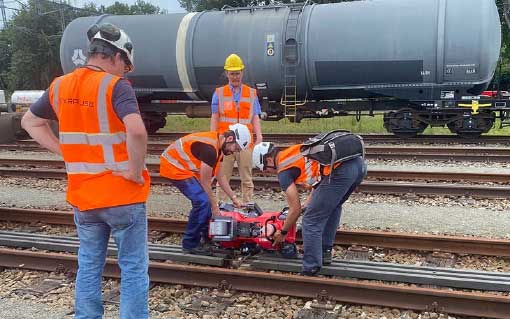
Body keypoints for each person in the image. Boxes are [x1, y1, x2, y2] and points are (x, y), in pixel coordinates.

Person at [21, 23, 151, 318]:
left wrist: (64, 150)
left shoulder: (60, 86)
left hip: (84, 198)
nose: (124, 73)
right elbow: (137, 131)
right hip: (122, 196)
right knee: (132, 267)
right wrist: (133, 172)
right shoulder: (115, 86)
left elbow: (30, 122)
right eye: (125, 66)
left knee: (89, 264)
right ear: (116, 56)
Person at [252, 142, 366, 275]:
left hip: (340, 172)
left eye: (265, 169)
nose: (268, 173)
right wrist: (308, 203)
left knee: (310, 220)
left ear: (269, 160)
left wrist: (283, 233)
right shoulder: (293, 151)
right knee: (333, 207)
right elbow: (319, 179)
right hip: (358, 165)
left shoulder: (283, 170)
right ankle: (324, 253)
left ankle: (311, 267)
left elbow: (295, 209)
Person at [159, 123, 251, 255]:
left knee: (205, 202)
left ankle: (206, 238)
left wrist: (234, 197)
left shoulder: (218, 148)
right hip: (174, 166)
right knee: (203, 202)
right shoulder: (210, 150)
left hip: (184, 168)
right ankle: (190, 244)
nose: (233, 152)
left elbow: (221, 176)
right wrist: (215, 207)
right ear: (230, 139)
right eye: (235, 148)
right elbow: (205, 182)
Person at [211, 53, 263, 203]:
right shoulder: (219, 94)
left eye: (237, 73)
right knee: (223, 177)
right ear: (227, 73)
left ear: (242, 73)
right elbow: (215, 117)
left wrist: (259, 136)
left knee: (247, 178)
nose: (235, 77)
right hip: (226, 143)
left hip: (245, 143)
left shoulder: (251, 93)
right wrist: (213, 138)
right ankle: (222, 206)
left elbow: (255, 117)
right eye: (232, 73)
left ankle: (248, 206)